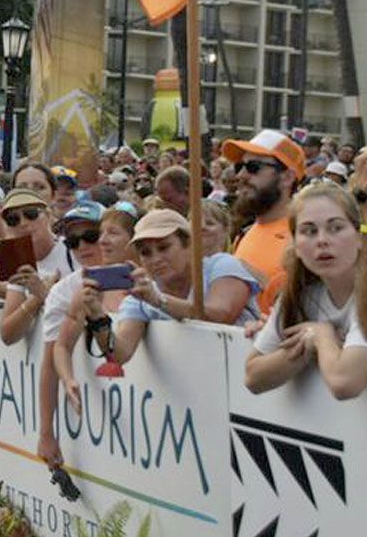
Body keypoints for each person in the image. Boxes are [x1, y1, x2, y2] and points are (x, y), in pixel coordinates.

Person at [85, 209, 261, 365]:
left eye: (164, 247)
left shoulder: (221, 265)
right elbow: (118, 355)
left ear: (189, 246)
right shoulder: (140, 298)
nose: (156, 259)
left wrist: (158, 300)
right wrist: (97, 316)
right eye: (146, 253)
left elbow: (221, 314)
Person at [244, 183, 367, 398]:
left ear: (358, 237)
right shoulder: (301, 293)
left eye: (336, 228)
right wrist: (308, 347)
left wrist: (321, 335)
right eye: (309, 231)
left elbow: (345, 383)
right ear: (297, 247)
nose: (322, 240)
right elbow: (253, 376)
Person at [28, 201, 108, 469]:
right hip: (98, 414)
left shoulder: (141, 277)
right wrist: (46, 433)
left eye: (91, 237)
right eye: (74, 241)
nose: (83, 247)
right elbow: (50, 361)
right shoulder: (63, 292)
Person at [54, 202, 140, 414]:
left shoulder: (155, 283)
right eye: (100, 233)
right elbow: (62, 345)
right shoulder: (91, 289)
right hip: (113, 409)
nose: (103, 241)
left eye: (112, 233)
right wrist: (68, 379)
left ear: (134, 239)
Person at [224, 130, 305, 316]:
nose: (241, 176)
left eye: (253, 167)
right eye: (239, 166)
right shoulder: (245, 232)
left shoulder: (303, 238)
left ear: (287, 177)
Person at [0, 189, 75, 345]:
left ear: (48, 216)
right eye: (13, 219)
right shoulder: (15, 258)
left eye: (31, 214)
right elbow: (7, 335)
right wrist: (36, 299)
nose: (24, 223)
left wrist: (46, 295)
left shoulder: (74, 248)